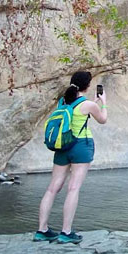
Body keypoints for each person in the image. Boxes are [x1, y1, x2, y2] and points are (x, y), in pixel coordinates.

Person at [35, 70, 107, 244]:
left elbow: (75, 112)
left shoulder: (63, 101)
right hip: (81, 146)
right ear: (88, 86)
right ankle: (66, 232)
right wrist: (103, 103)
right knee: (73, 188)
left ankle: (41, 230)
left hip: (62, 146)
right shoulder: (89, 104)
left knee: (52, 188)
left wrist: (94, 104)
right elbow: (103, 119)